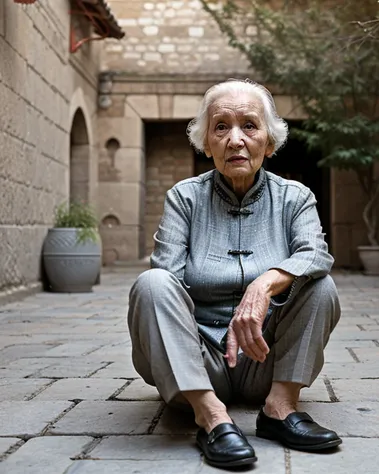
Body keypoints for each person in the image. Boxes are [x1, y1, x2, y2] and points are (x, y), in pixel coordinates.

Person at [128, 78, 342, 469]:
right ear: (206, 143)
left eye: (249, 125)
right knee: (151, 283)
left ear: (269, 142)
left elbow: (315, 253)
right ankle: (210, 416)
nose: (235, 139)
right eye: (221, 127)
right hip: (196, 361)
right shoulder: (184, 197)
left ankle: (280, 407)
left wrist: (265, 284)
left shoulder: (295, 197)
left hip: (266, 357)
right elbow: (168, 278)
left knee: (320, 285)